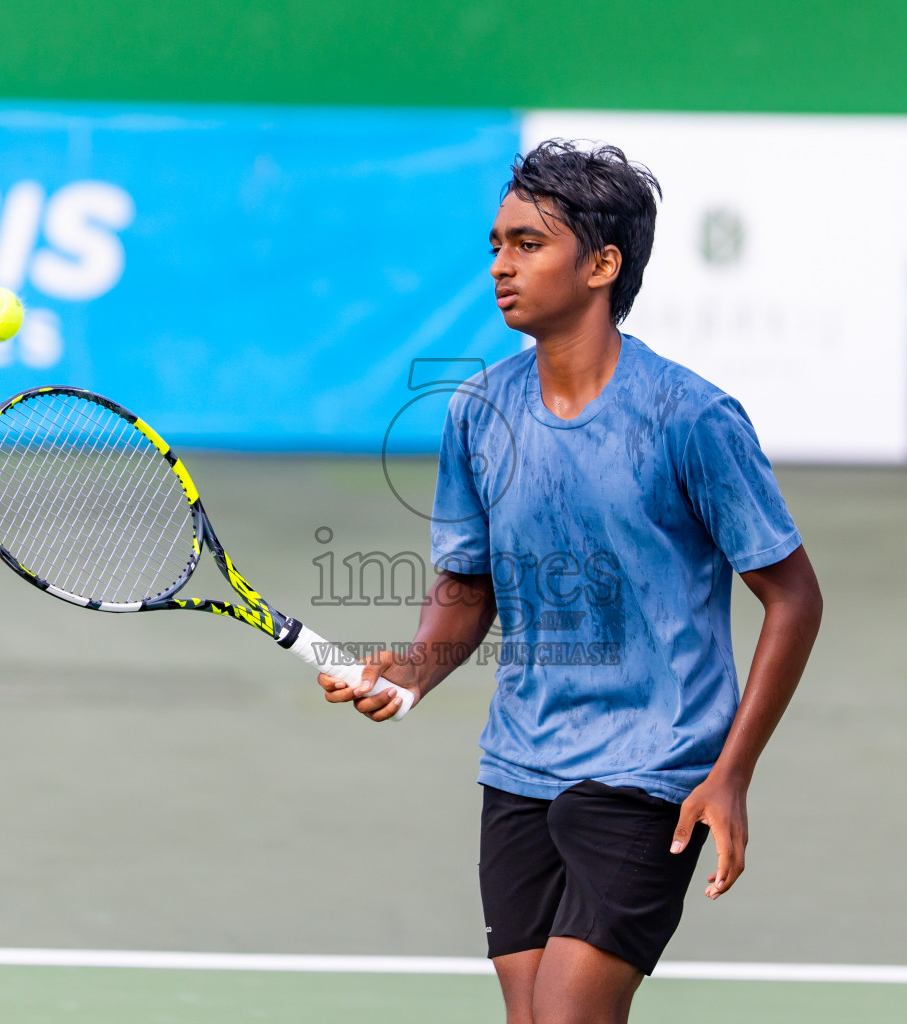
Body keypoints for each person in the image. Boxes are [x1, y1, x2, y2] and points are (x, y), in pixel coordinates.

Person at [318, 140, 823, 1024]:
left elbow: (794, 597)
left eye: (526, 245)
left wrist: (732, 772)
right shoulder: (479, 411)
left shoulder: (690, 417)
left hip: (652, 768)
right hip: (520, 763)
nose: (499, 267)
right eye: (496, 245)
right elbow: (467, 587)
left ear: (602, 264)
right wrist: (417, 668)